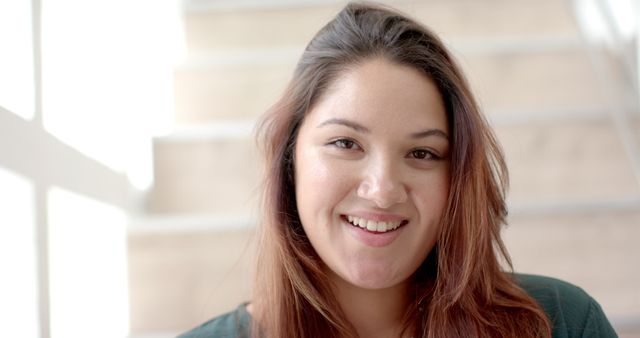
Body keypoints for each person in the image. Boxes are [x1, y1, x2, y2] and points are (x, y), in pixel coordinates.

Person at [179, 2, 618, 337]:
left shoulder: (562, 324)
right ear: (289, 159)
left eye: (423, 153)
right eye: (346, 144)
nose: (383, 190)